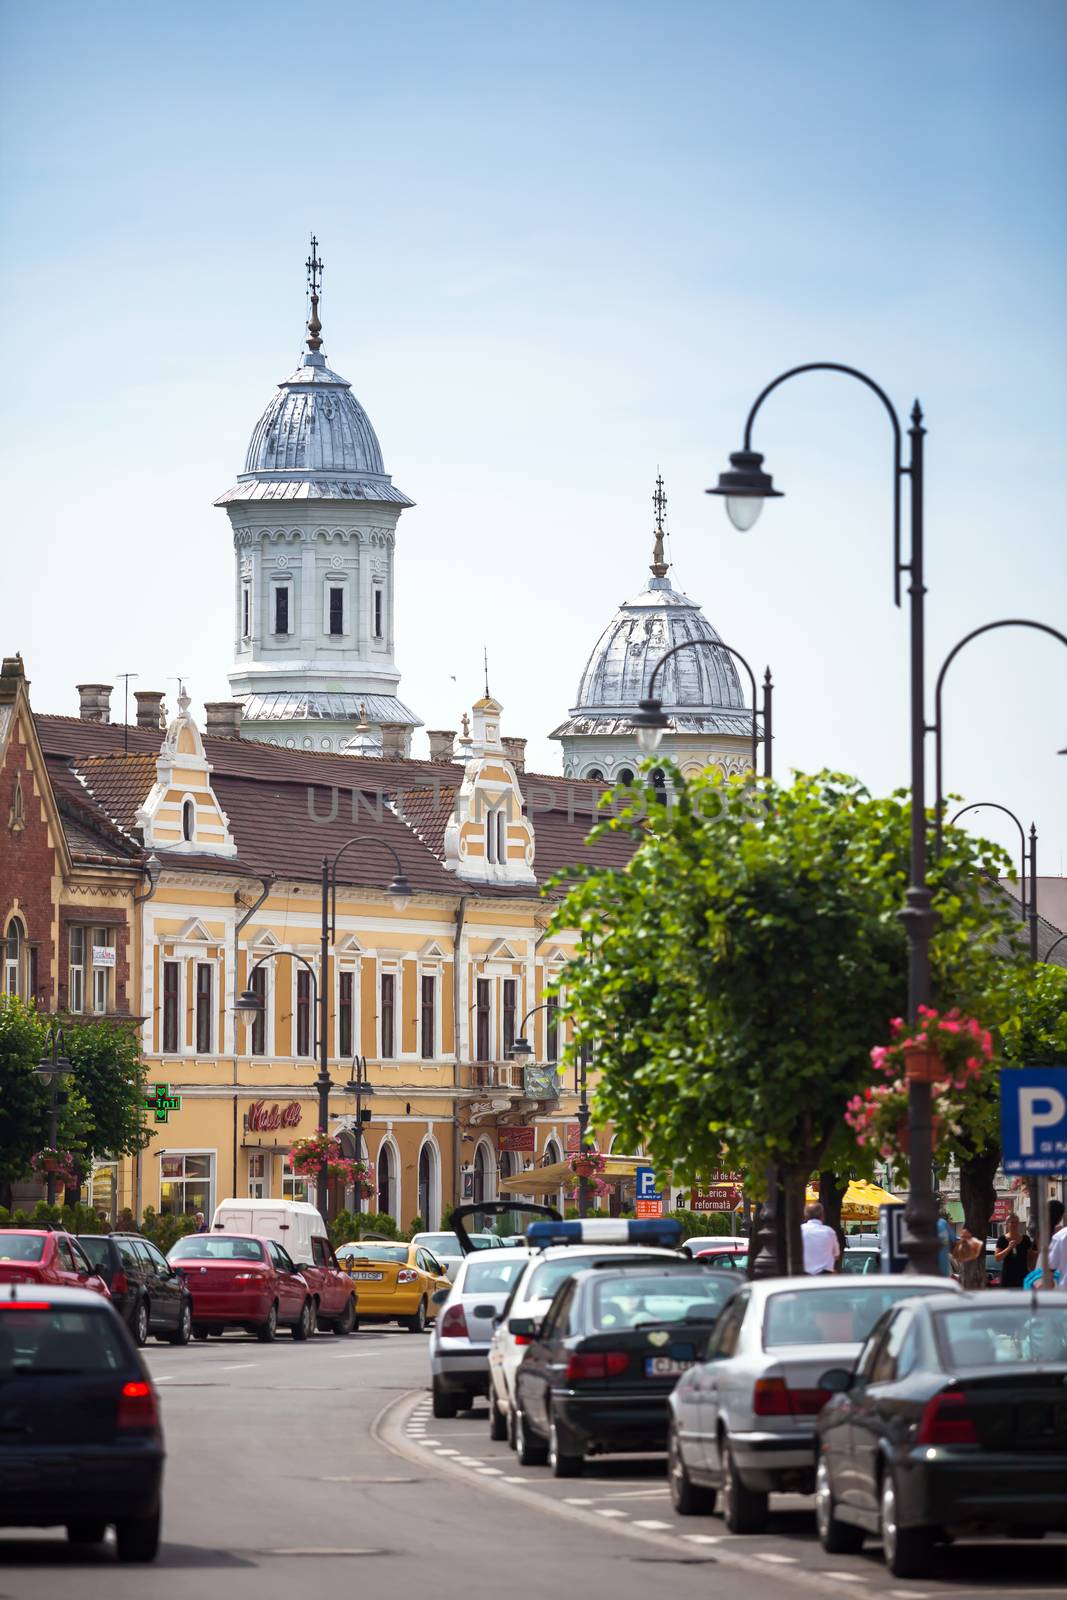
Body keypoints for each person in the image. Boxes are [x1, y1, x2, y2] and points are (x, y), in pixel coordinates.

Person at [995, 1213, 1034, 1288]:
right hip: (1008, 1276)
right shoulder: (1002, 1239)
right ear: (1007, 1224)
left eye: (1016, 1222)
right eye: (1012, 1222)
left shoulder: (1025, 1239)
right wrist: (1008, 1248)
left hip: (1023, 1275)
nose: (1014, 1224)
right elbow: (997, 1258)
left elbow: (1031, 1256)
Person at [801, 1202, 840, 1275]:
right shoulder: (829, 1232)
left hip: (803, 1277)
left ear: (805, 1216)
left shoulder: (800, 1230)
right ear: (822, 1216)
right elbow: (836, 1255)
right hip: (824, 1276)